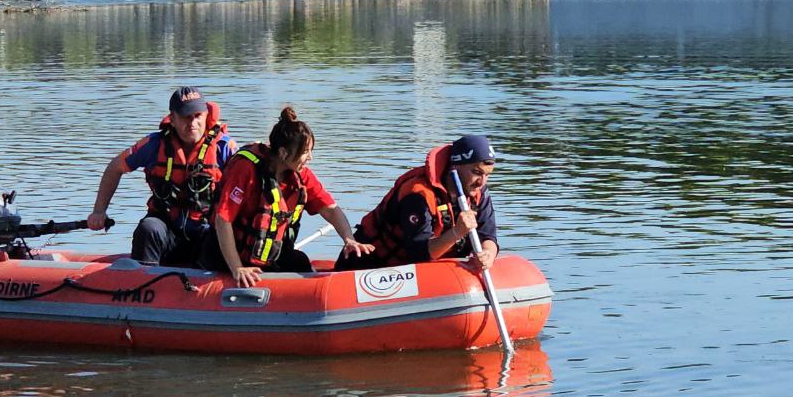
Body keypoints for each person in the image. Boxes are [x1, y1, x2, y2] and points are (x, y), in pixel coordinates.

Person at [199, 106, 373, 287]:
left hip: (266, 256)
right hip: (226, 255)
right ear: (283, 153)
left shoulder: (300, 175)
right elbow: (222, 219)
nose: (310, 158)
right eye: (306, 152)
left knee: (300, 262)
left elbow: (330, 209)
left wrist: (349, 239)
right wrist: (237, 268)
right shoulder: (245, 169)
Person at [88, 87, 237, 266]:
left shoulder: (224, 148)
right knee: (148, 228)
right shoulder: (154, 145)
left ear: (206, 115)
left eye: (197, 116)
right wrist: (99, 211)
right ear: (172, 119)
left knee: (219, 236)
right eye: (185, 117)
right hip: (165, 229)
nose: (193, 123)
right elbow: (115, 167)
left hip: (204, 231)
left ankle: (208, 288)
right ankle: (141, 285)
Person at [335, 135, 498, 272]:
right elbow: (419, 253)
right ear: (454, 167)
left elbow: (488, 236)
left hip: (423, 273)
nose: (481, 182)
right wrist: (457, 233)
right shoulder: (418, 194)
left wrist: (487, 254)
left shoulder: (479, 193)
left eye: (487, 175)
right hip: (372, 266)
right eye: (476, 173)